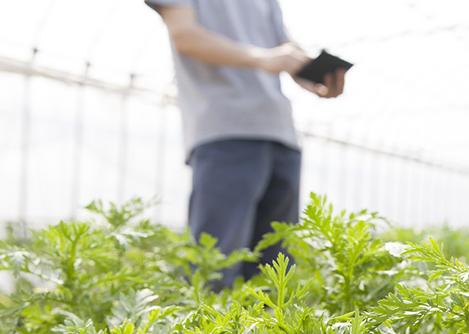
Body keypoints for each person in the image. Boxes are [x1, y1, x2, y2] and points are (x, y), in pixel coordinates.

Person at [144, 0, 346, 292]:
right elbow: (185, 35)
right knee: (214, 264)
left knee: (274, 270)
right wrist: (264, 58)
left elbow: (284, 48)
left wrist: (315, 75)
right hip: (225, 129)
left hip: (280, 133)